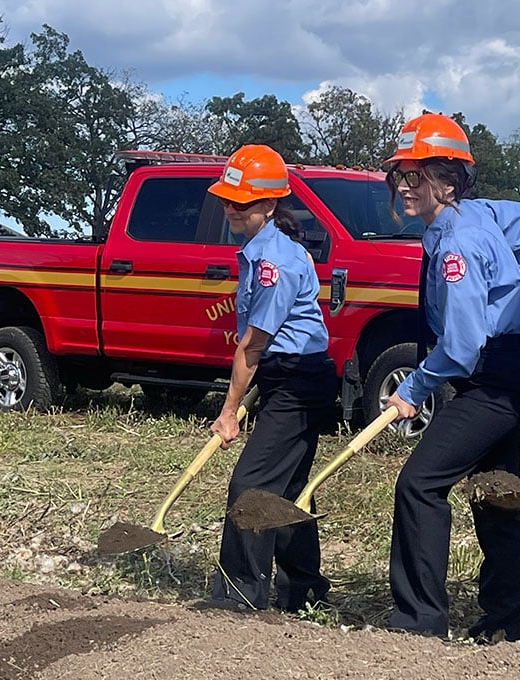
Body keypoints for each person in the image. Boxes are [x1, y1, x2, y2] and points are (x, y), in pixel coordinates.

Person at [382, 113, 520, 642]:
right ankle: (503, 623)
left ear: (448, 182)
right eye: (400, 173)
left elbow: (462, 344)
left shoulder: (459, 244)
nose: (405, 185)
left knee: (419, 484)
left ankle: (419, 620)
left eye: (417, 175)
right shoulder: (472, 218)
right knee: (495, 493)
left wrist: (413, 388)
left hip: (491, 378)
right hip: (501, 371)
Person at [197, 144, 337, 613]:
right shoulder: (261, 251)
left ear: (270, 204)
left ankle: (241, 592)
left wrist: (228, 411)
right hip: (290, 375)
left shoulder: (276, 263)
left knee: (250, 484)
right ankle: (303, 587)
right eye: (227, 199)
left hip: (298, 381)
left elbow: (252, 346)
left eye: (241, 201)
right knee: (289, 487)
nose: (230, 209)